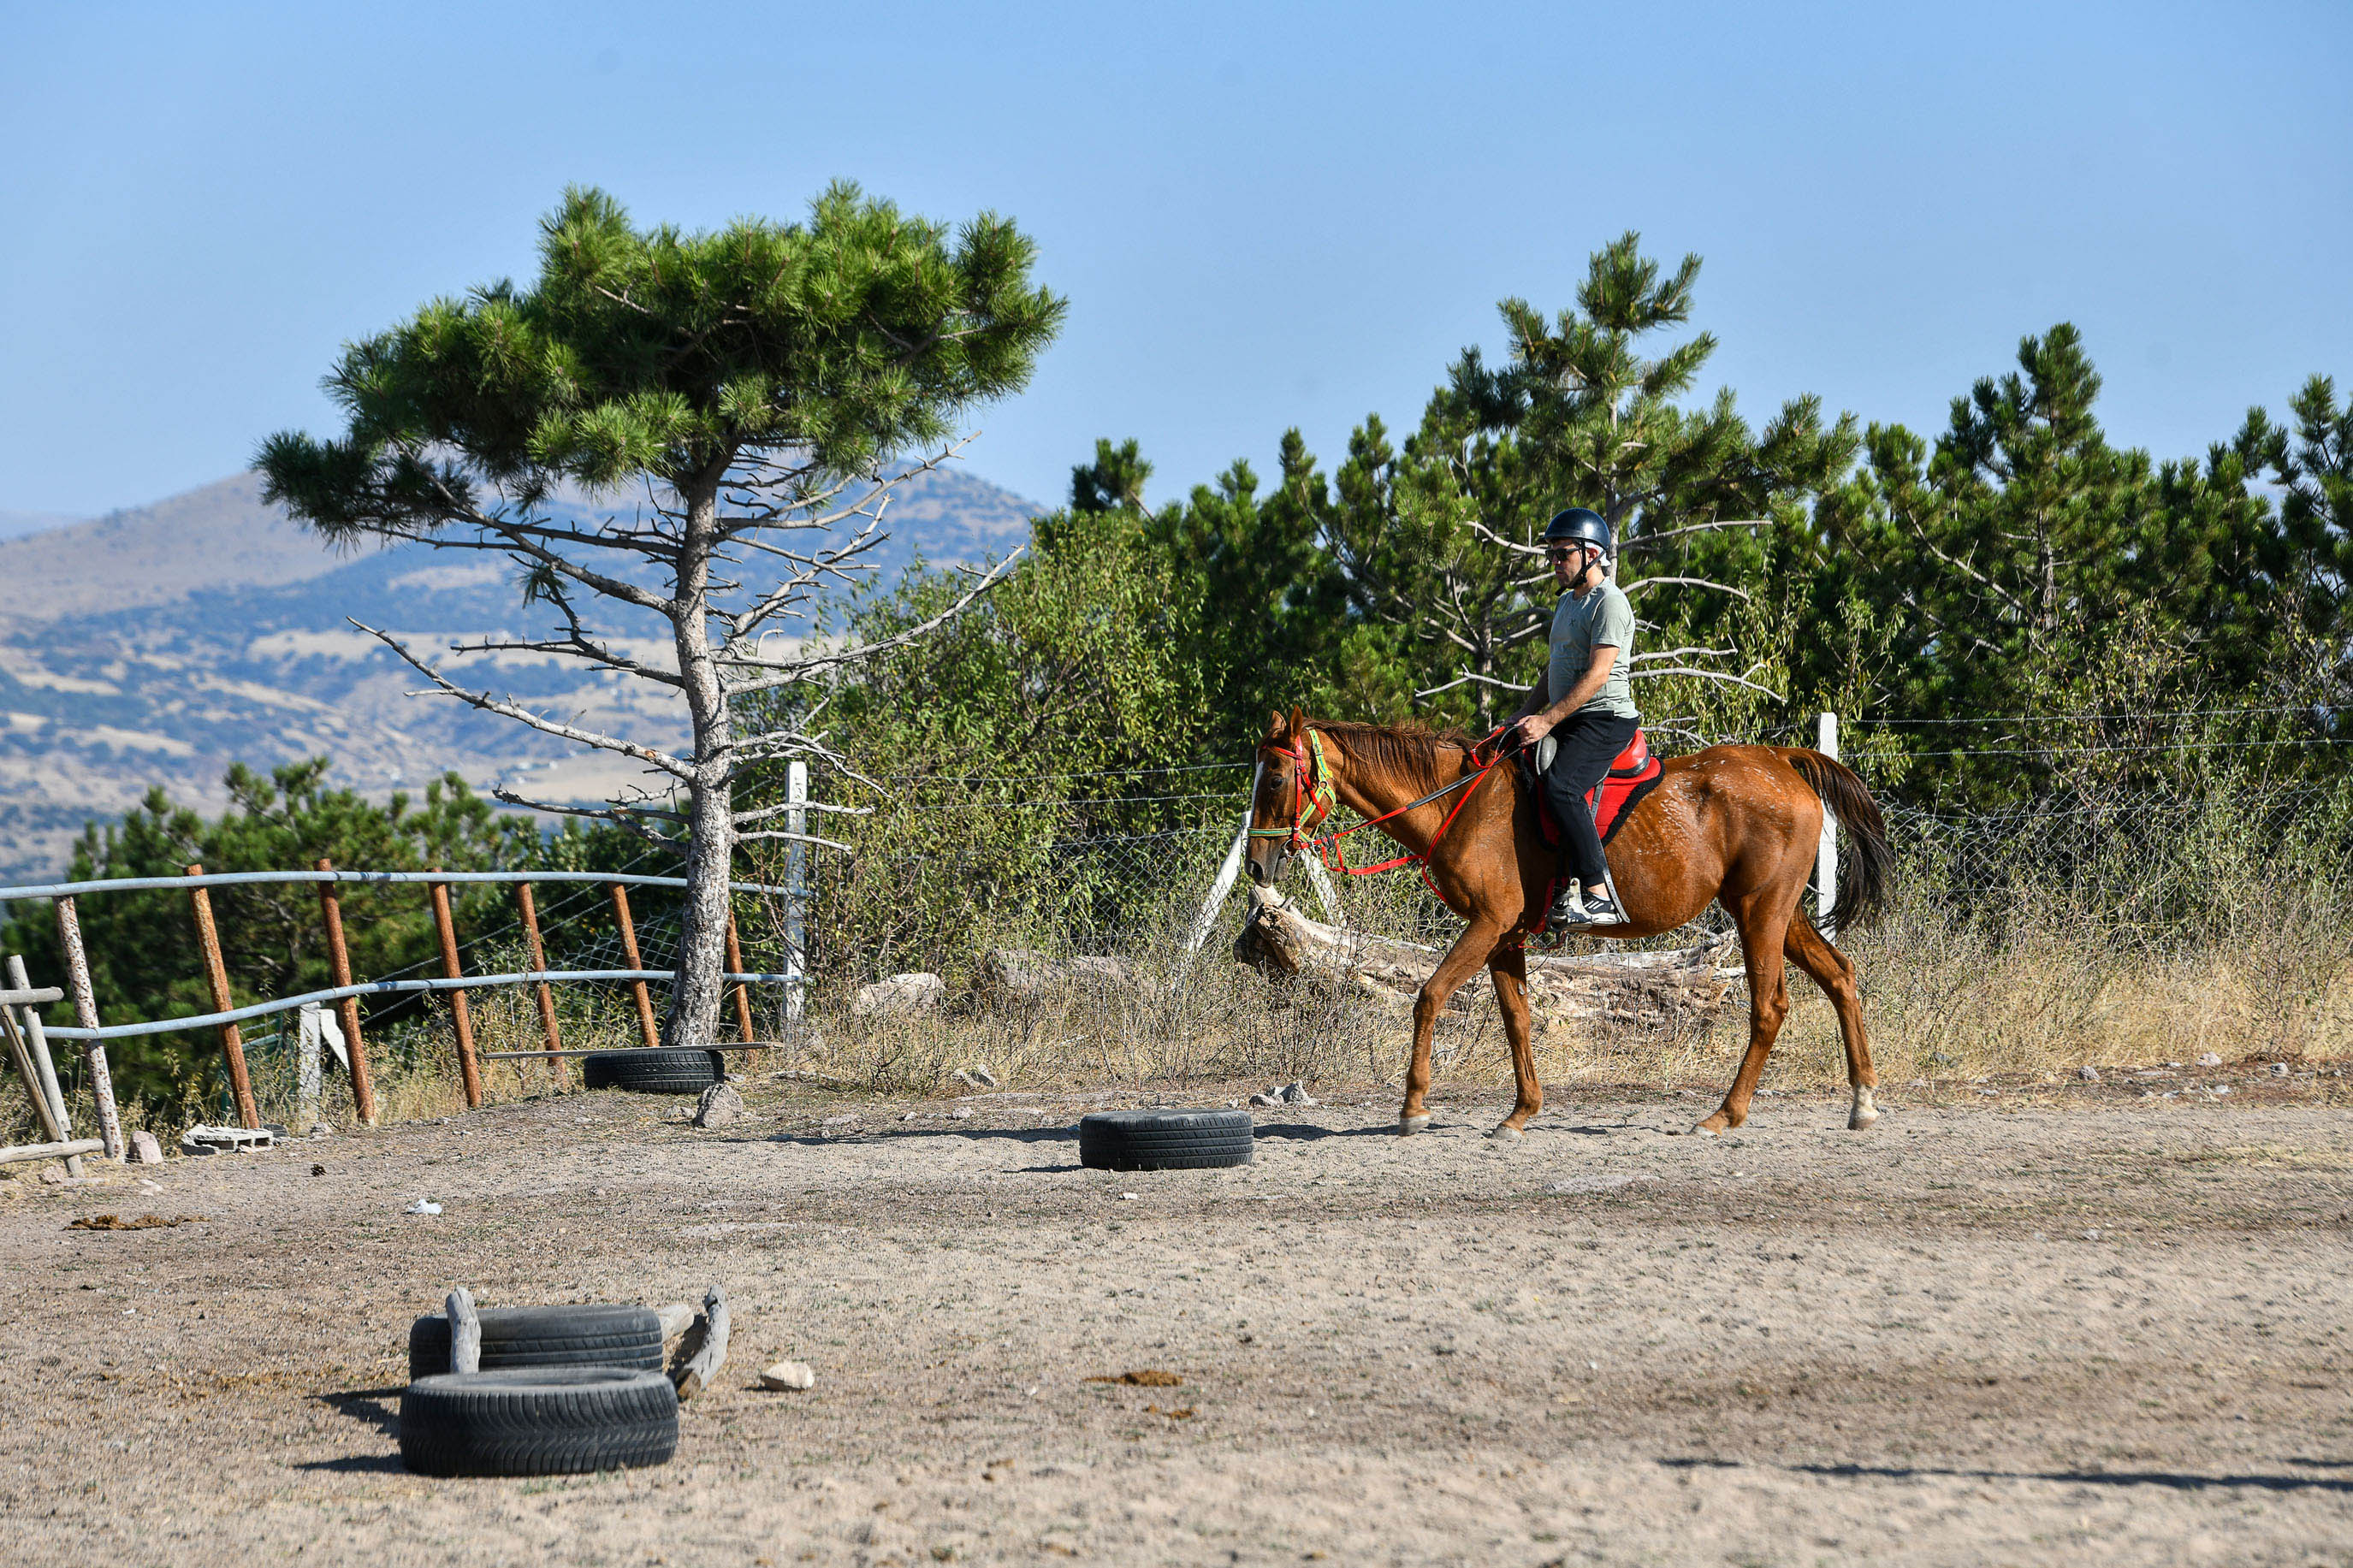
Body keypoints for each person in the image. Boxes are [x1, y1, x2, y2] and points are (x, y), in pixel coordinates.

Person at [1506, 506, 1639, 930]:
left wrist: (1546, 722)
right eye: (1552, 555)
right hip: (1570, 716)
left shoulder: (1611, 603)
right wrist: (1526, 713)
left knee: (1562, 787)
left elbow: (1598, 675)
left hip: (1604, 720)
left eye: (1562, 554)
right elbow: (1555, 669)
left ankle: (1599, 893)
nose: (1555, 563)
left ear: (1592, 554)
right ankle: (1553, 885)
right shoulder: (1567, 604)